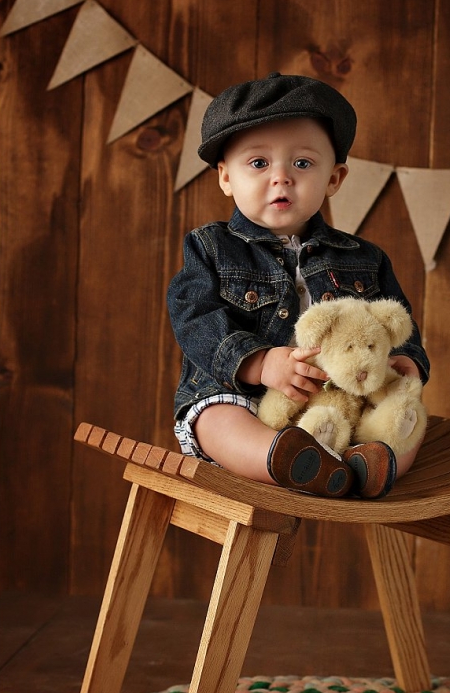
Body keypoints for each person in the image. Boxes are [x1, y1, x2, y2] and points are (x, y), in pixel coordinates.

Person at [167, 72, 430, 499]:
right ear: (225, 177)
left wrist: (406, 363)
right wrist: (258, 363)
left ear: (334, 178)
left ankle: (374, 461)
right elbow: (193, 316)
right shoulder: (211, 248)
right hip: (247, 397)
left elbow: (398, 324)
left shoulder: (366, 258)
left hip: (343, 398)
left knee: (405, 409)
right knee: (215, 418)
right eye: (259, 163)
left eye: (302, 164)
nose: (281, 177)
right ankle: (292, 462)